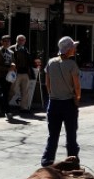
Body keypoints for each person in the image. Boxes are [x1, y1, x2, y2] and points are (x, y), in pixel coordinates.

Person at [41, 36, 81, 167]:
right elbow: (77, 86)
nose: (75, 49)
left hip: (53, 103)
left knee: (53, 135)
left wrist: (53, 94)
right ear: (69, 49)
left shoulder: (51, 62)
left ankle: (47, 160)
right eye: (73, 47)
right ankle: (73, 160)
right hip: (68, 103)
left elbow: (47, 84)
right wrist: (78, 97)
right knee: (71, 134)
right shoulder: (72, 64)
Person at [10, 34, 36, 115]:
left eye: (23, 40)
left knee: (25, 91)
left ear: (25, 41)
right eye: (19, 40)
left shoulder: (25, 49)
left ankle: (24, 108)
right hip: (16, 73)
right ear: (16, 41)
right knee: (12, 91)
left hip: (25, 73)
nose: (21, 41)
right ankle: (4, 106)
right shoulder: (12, 49)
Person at [0, 35, 15, 120]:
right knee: (5, 92)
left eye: (8, 41)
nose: (7, 43)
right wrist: (7, 68)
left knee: (6, 93)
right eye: (5, 41)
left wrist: (13, 66)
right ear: (1, 42)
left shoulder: (11, 52)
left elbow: (12, 62)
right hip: (1, 75)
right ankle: (7, 111)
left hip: (9, 76)